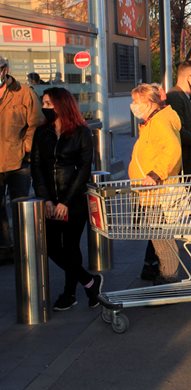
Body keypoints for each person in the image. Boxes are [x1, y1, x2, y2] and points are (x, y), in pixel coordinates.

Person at [30, 87, 102, 310]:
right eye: (44, 103)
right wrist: (48, 200)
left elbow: (83, 170)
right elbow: (37, 167)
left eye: (49, 103)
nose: (45, 107)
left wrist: (66, 202)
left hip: (74, 201)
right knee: (51, 247)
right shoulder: (42, 133)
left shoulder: (81, 132)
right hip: (50, 200)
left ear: (62, 104)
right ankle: (90, 281)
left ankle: (69, 293)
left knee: (70, 247)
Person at [128, 83, 183, 285]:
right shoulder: (152, 122)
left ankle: (169, 276)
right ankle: (164, 272)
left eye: (136, 101)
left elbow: (172, 150)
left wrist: (155, 174)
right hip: (151, 192)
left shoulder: (159, 122)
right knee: (157, 235)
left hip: (158, 191)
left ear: (150, 102)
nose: (133, 106)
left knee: (161, 237)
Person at [0, 56, 45, 265]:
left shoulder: (23, 92)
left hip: (18, 162)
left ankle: (23, 249)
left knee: (21, 206)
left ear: (5, 70)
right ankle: (4, 248)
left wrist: (26, 149)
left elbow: (36, 123)